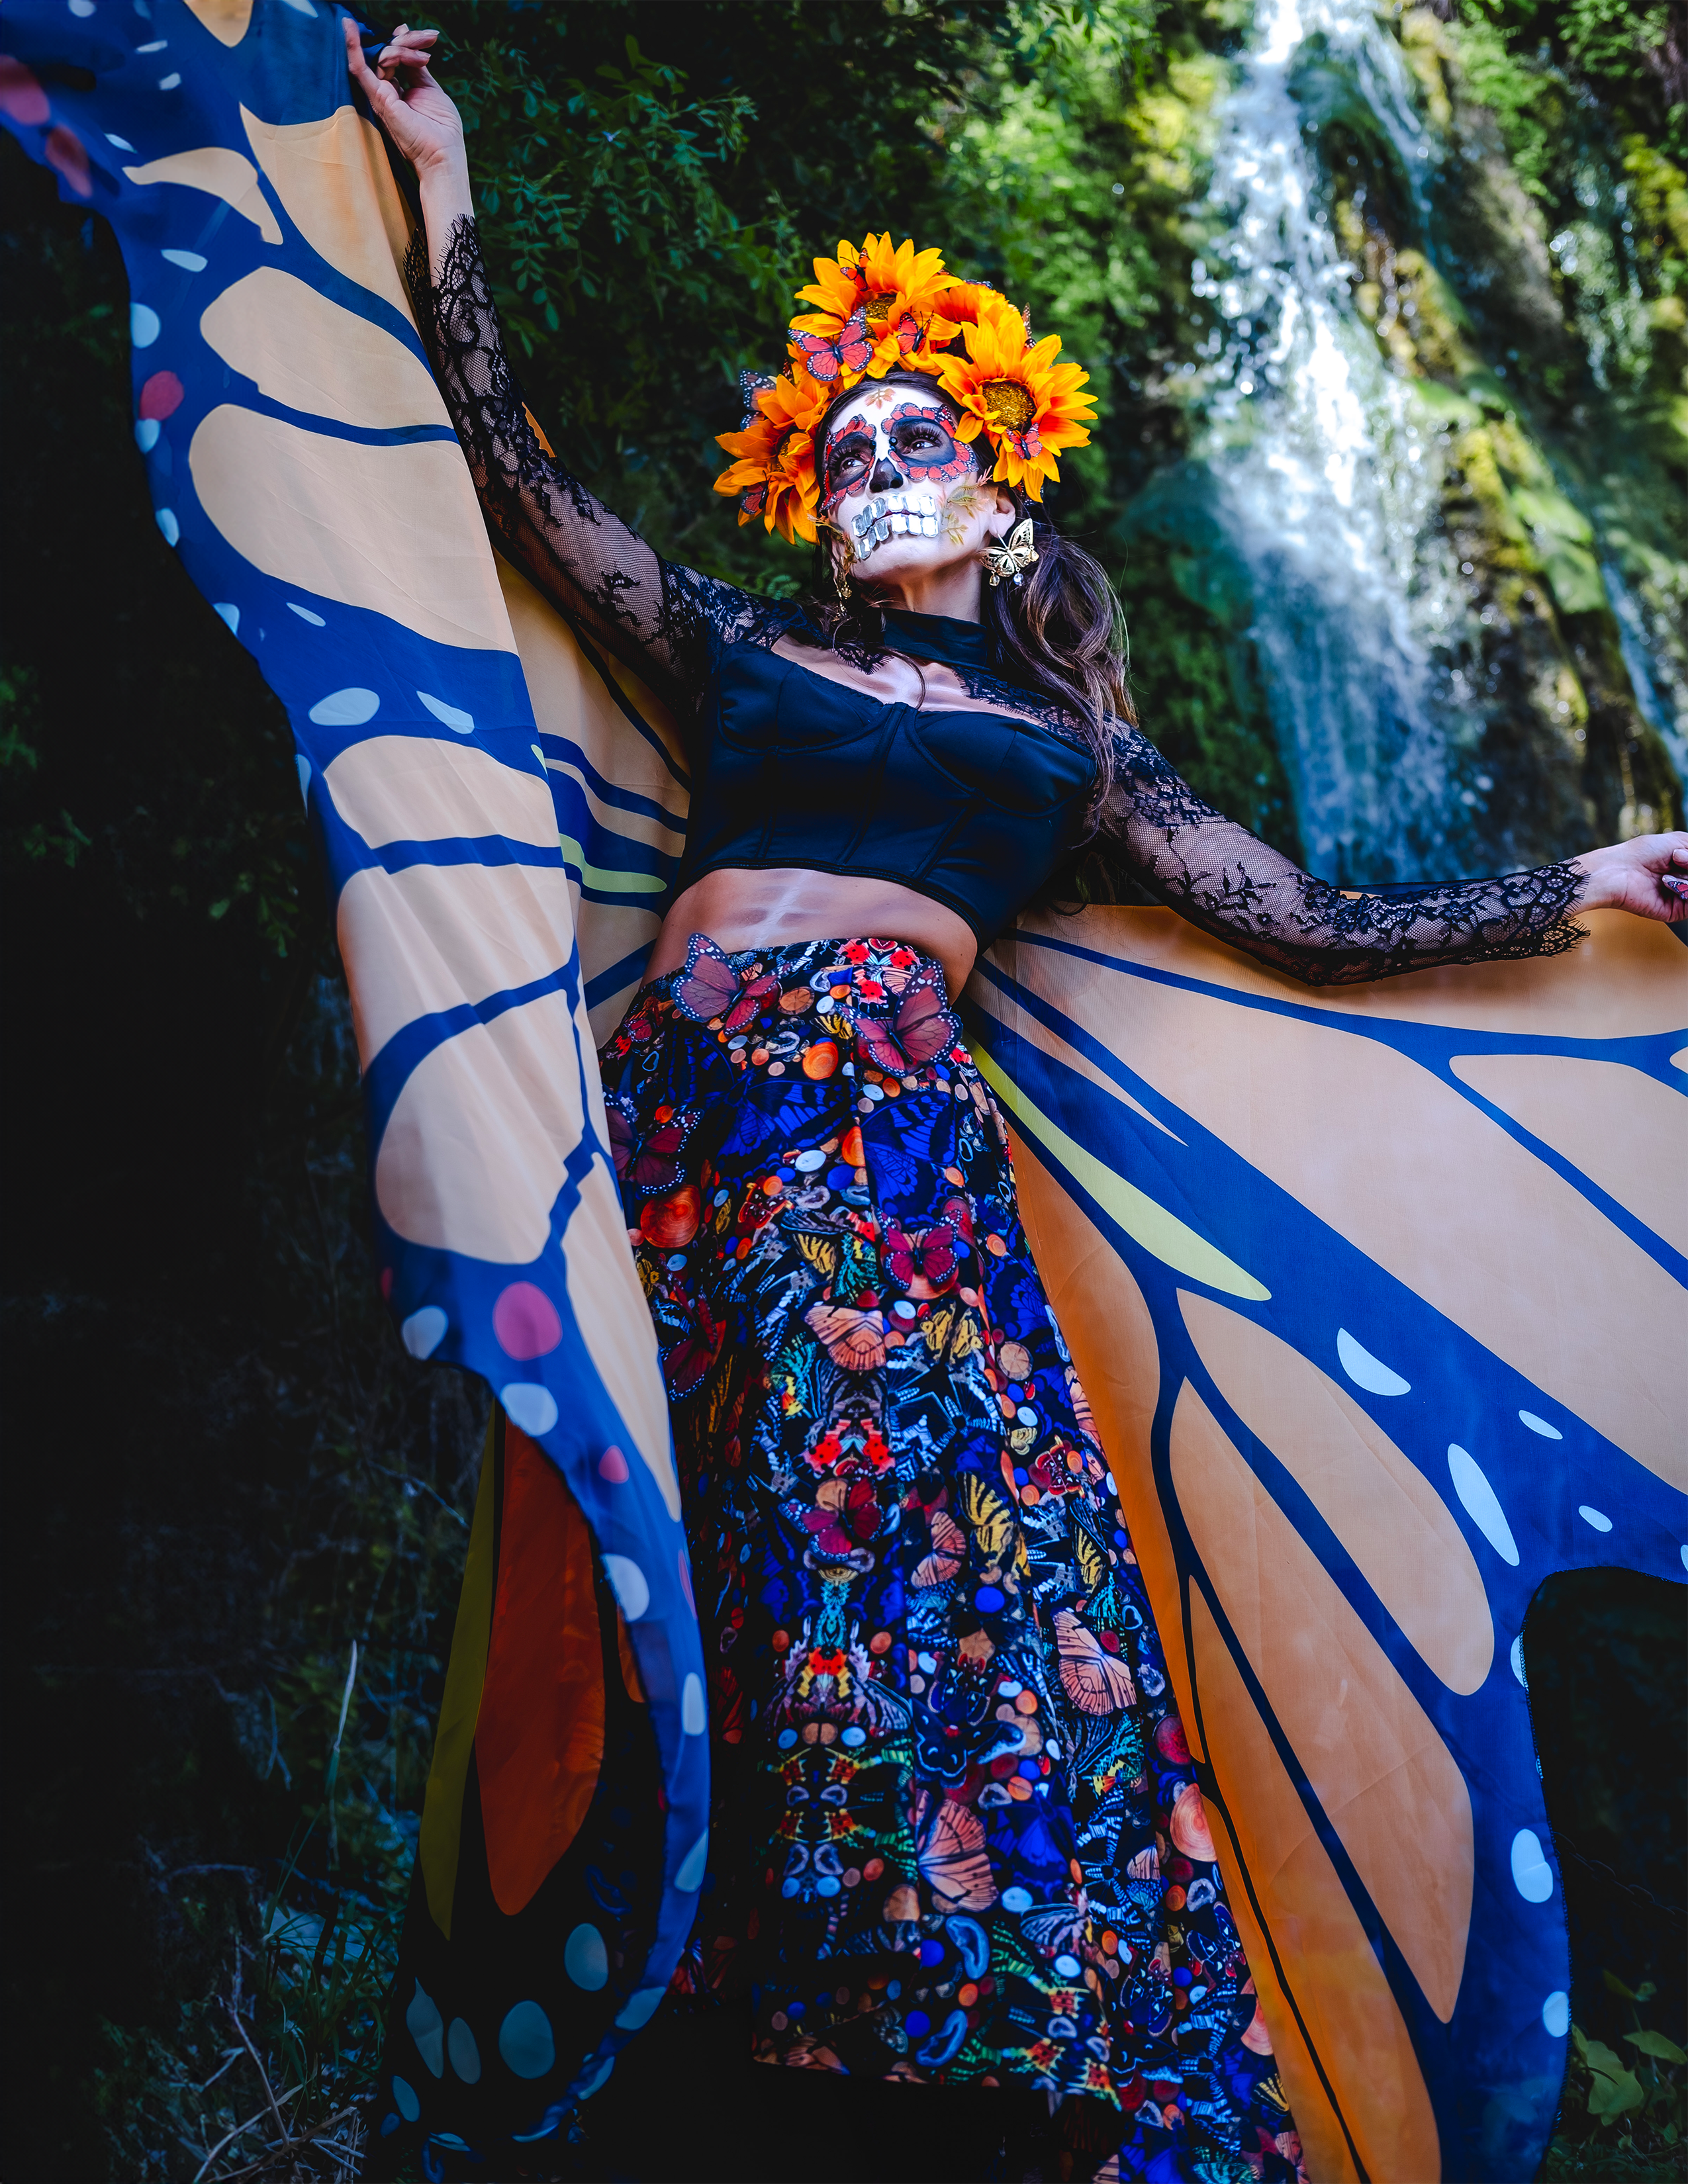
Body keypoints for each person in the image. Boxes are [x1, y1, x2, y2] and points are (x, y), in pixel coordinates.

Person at [346, 21, 1688, 2182]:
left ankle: (916, 2026)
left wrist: (1572, 886)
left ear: (994, 482)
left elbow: (1298, 917)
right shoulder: (740, 644)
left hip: (881, 1148)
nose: (879, 460)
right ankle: (646, 1996)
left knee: (889, 1542)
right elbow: (515, 477)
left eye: (918, 432)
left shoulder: (1071, 751)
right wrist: (445, 188)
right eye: (845, 443)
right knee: (672, 1539)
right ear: (813, 495)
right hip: (678, 1118)